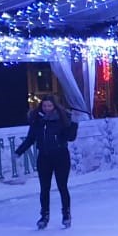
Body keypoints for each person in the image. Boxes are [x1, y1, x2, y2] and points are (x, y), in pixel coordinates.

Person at [14, 95, 79, 228]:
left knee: (62, 186)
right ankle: (44, 216)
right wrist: (19, 151)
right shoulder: (38, 120)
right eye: (45, 106)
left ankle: (66, 214)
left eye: (49, 106)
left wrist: (74, 123)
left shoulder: (62, 119)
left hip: (61, 156)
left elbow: (71, 137)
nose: (47, 108)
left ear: (54, 106)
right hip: (44, 157)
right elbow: (30, 138)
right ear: (41, 106)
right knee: (44, 188)